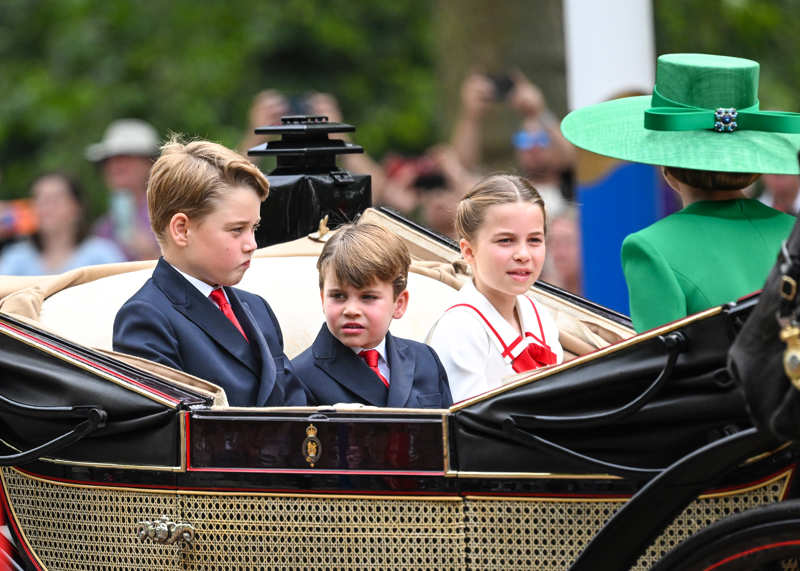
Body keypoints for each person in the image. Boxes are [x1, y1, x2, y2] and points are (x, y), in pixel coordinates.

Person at [561, 53, 800, 332]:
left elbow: (664, 369)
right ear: (755, 165)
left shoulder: (651, 248)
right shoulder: (794, 233)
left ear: (667, 169)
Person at [112, 137, 307, 407]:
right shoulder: (146, 318)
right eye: (236, 230)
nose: (252, 244)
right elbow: (175, 431)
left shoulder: (257, 307)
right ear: (181, 229)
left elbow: (295, 405)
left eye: (254, 228)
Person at [426, 174, 564, 402]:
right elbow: (470, 426)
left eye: (534, 240)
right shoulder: (460, 328)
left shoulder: (537, 312)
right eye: (505, 241)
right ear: (468, 250)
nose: (523, 255)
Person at [292, 223, 452, 408]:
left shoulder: (425, 359)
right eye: (338, 296)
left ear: (399, 304)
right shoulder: (299, 377)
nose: (351, 310)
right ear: (322, 299)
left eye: (368, 297)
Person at [450, 71, 576, 217]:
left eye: (541, 139)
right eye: (524, 140)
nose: (532, 148)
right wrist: (471, 116)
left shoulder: (576, 188)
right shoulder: (506, 192)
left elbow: (573, 156)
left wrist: (540, 111)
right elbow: (461, 166)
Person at [0, 172, 124, 275]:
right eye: (38, 199)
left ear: (77, 207)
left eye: (55, 199)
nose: (45, 207)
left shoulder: (101, 254)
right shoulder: (16, 257)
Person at [86, 118, 162, 261]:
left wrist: (153, 255)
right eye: (109, 160)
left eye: (125, 158)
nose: (115, 166)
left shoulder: (171, 212)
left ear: (151, 163)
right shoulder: (103, 228)